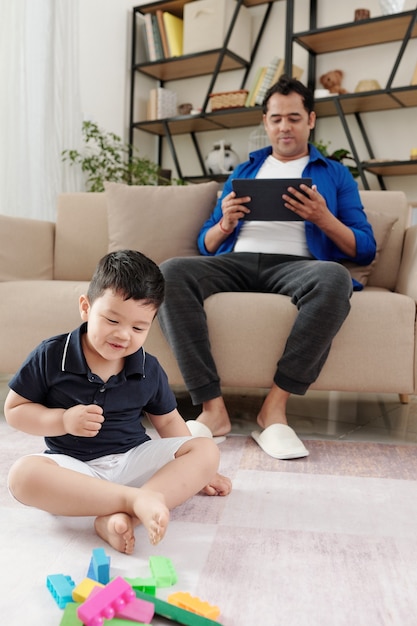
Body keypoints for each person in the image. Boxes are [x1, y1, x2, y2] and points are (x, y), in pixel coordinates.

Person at [157, 75, 376, 460]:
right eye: (276, 119)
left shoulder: (334, 173)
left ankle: (274, 410)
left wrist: (323, 218)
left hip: (297, 266)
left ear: (310, 120)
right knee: (170, 271)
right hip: (237, 262)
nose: (284, 127)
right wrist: (224, 224)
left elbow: (365, 248)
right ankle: (213, 411)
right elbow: (205, 243)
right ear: (265, 123)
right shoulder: (244, 171)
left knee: (334, 278)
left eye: (293, 118)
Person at [4, 250, 232, 554]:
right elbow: (15, 410)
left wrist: (200, 472)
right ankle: (133, 502)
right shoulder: (51, 355)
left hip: (133, 460)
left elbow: (167, 422)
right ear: (86, 307)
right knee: (22, 475)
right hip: (75, 470)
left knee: (204, 448)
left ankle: (121, 515)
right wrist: (62, 420)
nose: (124, 335)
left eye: (139, 328)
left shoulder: (147, 368)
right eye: (112, 320)